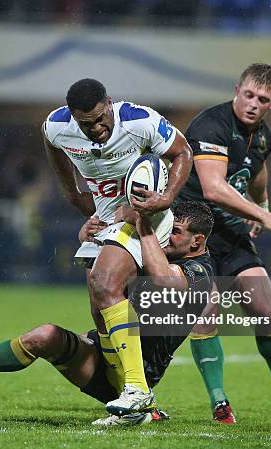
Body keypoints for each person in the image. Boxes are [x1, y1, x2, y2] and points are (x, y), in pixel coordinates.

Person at [0, 201, 214, 425]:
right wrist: (97, 241)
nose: (166, 236)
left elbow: (162, 280)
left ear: (196, 241)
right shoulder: (162, 255)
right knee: (44, 335)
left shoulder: (200, 272)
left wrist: (143, 228)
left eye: (175, 232)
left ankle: (141, 399)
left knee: (54, 334)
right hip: (105, 349)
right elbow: (106, 283)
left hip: (133, 371)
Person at [175, 63, 271, 423]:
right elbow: (213, 187)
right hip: (193, 232)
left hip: (231, 231)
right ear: (237, 90)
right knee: (207, 310)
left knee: (265, 308)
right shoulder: (211, 125)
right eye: (249, 95)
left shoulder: (262, 135)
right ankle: (219, 400)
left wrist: (264, 205)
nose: (253, 104)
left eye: (263, 99)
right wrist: (263, 216)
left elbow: (257, 171)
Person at [42, 78, 192, 416]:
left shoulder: (139, 121)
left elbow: (183, 152)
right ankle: (138, 399)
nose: (96, 127)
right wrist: (73, 194)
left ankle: (137, 389)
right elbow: (50, 143)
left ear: (109, 104)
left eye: (99, 118)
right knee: (100, 314)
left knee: (104, 283)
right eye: (86, 123)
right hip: (106, 220)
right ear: (72, 117)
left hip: (145, 214)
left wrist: (165, 199)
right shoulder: (57, 126)